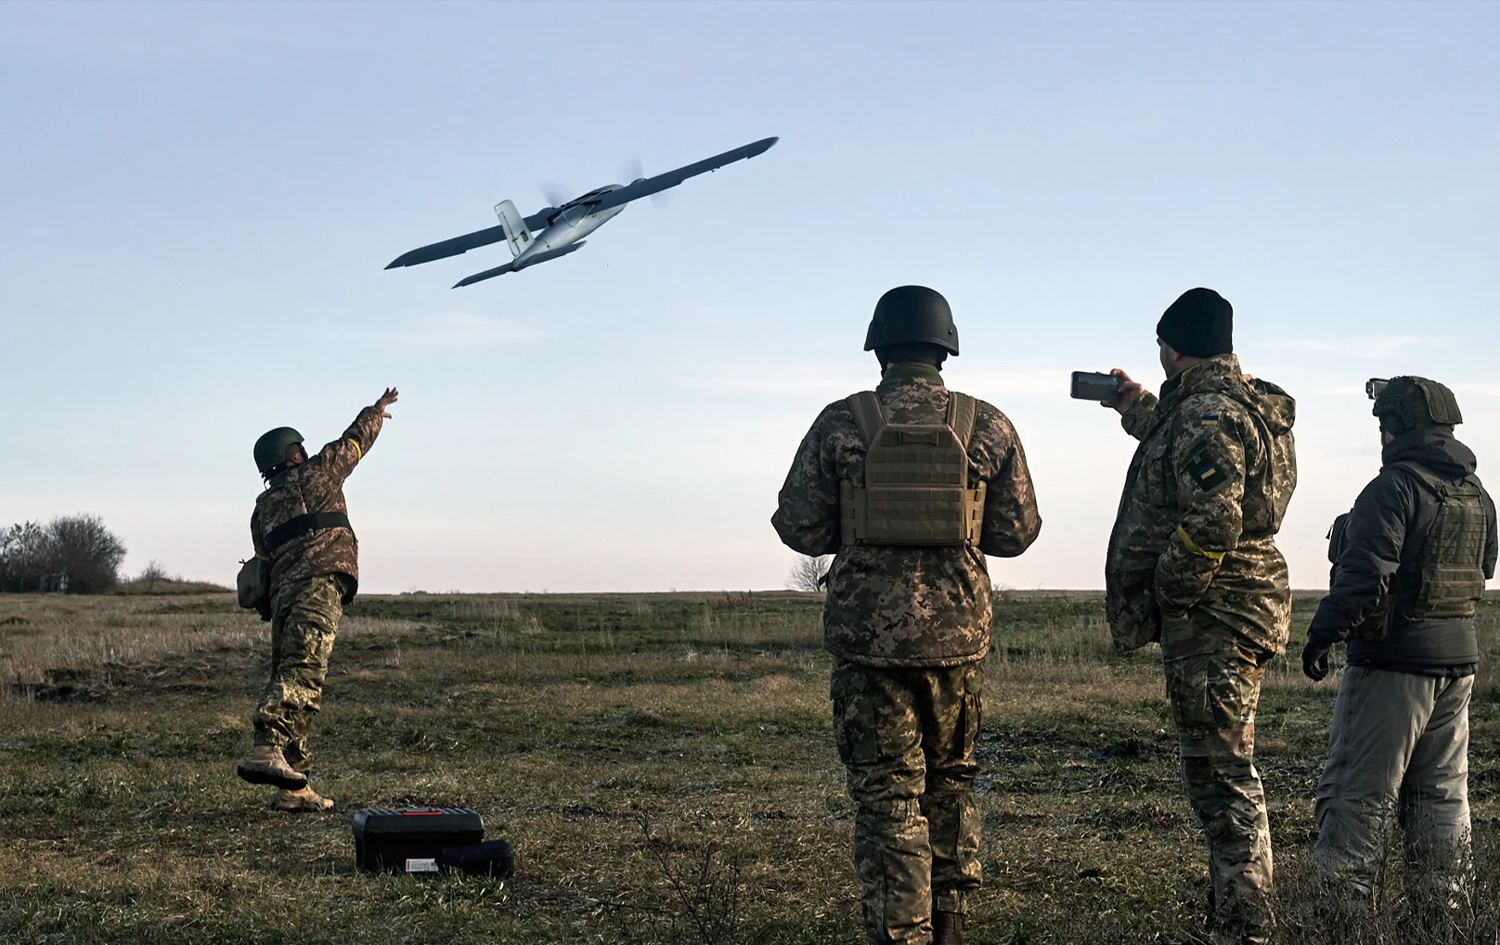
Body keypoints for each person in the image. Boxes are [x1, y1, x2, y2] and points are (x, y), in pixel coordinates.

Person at [772, 286, 1041, 945]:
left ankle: (904, 934)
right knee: (951, 784)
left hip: (870, 647)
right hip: (957, 642)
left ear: (879, 349)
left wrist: (859, 519)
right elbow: (1016, 533)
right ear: (946, 349)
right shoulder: (988, 424)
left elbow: (799, 526)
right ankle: (949, 926)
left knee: (890, 799)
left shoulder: (842, 422)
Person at [1104, 288, 1296, 945]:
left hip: (1217, 616)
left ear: (1173, 346)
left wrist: (1170, 592)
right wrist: (1134, 407)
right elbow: (1180, 451)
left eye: (1161, 343)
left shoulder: (1208, 413)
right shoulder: (1236, 403)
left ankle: (1246, 927)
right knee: (1219, 769)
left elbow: (1213, 518)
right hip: (1240, 606)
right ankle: (1231, 913)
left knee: (1222, 777)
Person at [1302, 376, 1496, 913]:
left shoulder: (1393, 488)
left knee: (1356, 795)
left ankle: (1340, 919)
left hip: (1392, 665)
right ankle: (1444, 918)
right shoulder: (1477, 494)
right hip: (1457, 667)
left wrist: (1322, 635)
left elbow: (1364, 579)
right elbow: (1484, 568)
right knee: (1441, 797)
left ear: (1395, 427)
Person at [235, 387, 399, 812]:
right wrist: (377, 410)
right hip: (318, 584)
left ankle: (294, 785)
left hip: (283, 597)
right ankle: (267, 744)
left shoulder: (262, 508)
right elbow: (355, 441)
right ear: (294, 454)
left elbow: (263, 563)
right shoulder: (320, 472)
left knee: (293, 674)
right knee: (304, 673)